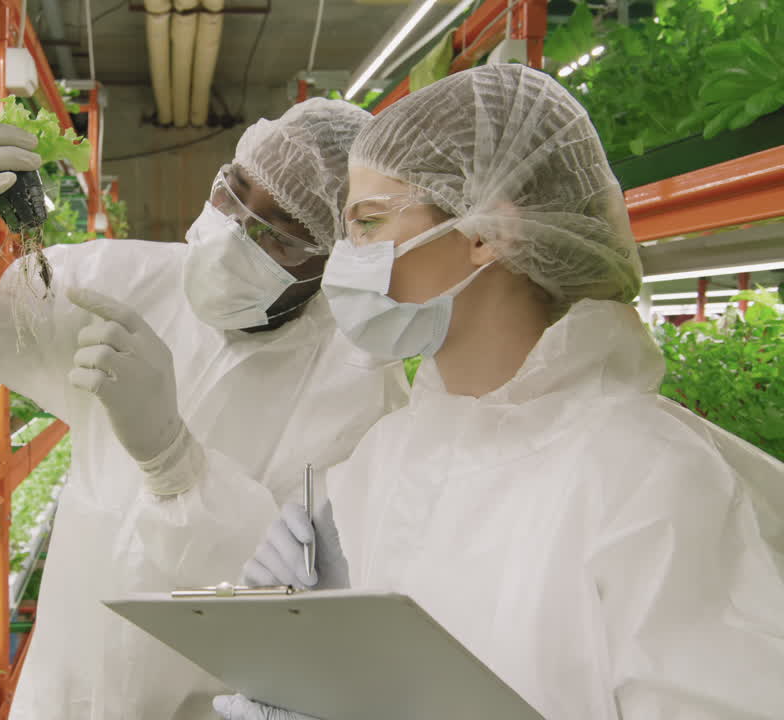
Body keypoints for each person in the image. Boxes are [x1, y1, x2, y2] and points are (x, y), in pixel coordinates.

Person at [220, 64, 784, 720]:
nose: (347, 257)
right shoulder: (388, 456)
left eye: (368, 223)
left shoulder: (648, 480)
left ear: (488, 231)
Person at [0, 91, 408, 719]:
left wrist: (176, 463)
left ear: (333, 255)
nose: (233, 234)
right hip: (61, 696)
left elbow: (301, 601)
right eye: (231, 193)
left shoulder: (358, 388)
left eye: (276, 234)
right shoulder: (117, 281)